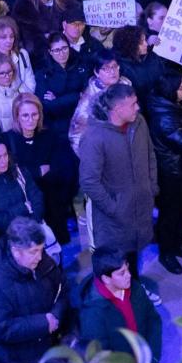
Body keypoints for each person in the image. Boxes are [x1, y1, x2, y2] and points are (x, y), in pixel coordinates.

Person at [0, 216, 68, 363]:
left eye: (41, 249)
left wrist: (56, 316)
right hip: (16, 362)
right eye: (33, 252)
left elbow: (63, 290)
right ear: (16, 251)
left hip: (45, 350)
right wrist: (43, 323)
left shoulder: (41, 261)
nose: (40, 256)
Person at [77, 82, 158, 265]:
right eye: (133, 104)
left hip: (140, 205)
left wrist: (151, 187)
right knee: (116, 263)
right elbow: (89, 182)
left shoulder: (139, 122)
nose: (138, 107)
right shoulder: (94, 137)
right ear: (118, 109)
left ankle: (135, 289)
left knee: (134, 255)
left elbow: (150, 154)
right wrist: (114, 207)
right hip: (114, 217)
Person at [77, 247, 163, 363]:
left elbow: (153, 319)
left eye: (127, 268)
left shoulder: (135, 287)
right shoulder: (92, 314)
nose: (129, 275)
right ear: (106, 279)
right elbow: (101, 355)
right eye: (121, 273)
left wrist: (151, 357)